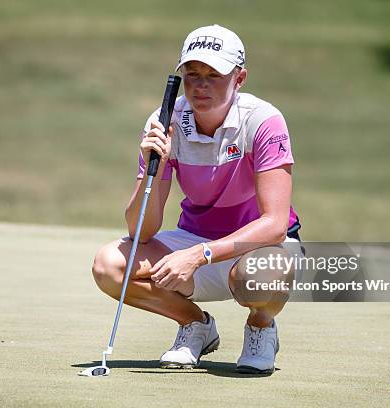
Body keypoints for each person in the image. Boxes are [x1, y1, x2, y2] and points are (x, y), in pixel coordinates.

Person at [92, 24, 302, 374]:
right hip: (194, 239)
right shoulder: (165, 121)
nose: (200, 85)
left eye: (213, 75)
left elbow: (276, 225)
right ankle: (196, 325)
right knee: (109, 265)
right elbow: (141, 231)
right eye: (191, 74)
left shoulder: (264, 121)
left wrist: (201, 254)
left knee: (261, 276)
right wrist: (154, 167)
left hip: (258, 248)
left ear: (240, 78)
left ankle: (261, 326)